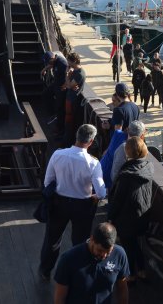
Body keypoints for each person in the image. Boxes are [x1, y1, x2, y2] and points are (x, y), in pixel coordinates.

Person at [39, 124, 107, 281]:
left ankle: (45, 270)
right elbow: (102, 192)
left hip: (59, 203)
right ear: (91, 142)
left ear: (77, 136)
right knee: (80, 241)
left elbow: (48, 181)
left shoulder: (58, 155)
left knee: (52, 239)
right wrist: (96, 196)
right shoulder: (93, 163)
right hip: (83, 206)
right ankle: (77, 272)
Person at [108, 137, 153, 282]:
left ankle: (131, 274)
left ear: (128, 152)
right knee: (135, 243)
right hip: (143, 213)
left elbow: (118, 200)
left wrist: (110, 218)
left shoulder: (126, 175)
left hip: (127, 218)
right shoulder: (148, 167)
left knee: (128, 246)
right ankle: (142, 269)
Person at [53, 222, 129, 304]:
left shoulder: (119, 254)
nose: (104, 255)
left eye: (108, 252)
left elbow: (122, 288)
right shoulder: (68, 259)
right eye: (100, 250)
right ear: (92, 239)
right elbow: (60, 297)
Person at [100, 83, 139, 189]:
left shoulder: (119, 110)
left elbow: (117, 133)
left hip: (120, 147)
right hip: (132, 143)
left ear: (117, 94)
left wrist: (108, 150)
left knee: (111, 171)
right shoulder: (135, 106)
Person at [110, 120, 145, 184]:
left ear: (128, 130)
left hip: (123, 187)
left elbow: (115, 173)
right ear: (142, 135)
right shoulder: (143, 148)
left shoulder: (123, 148)